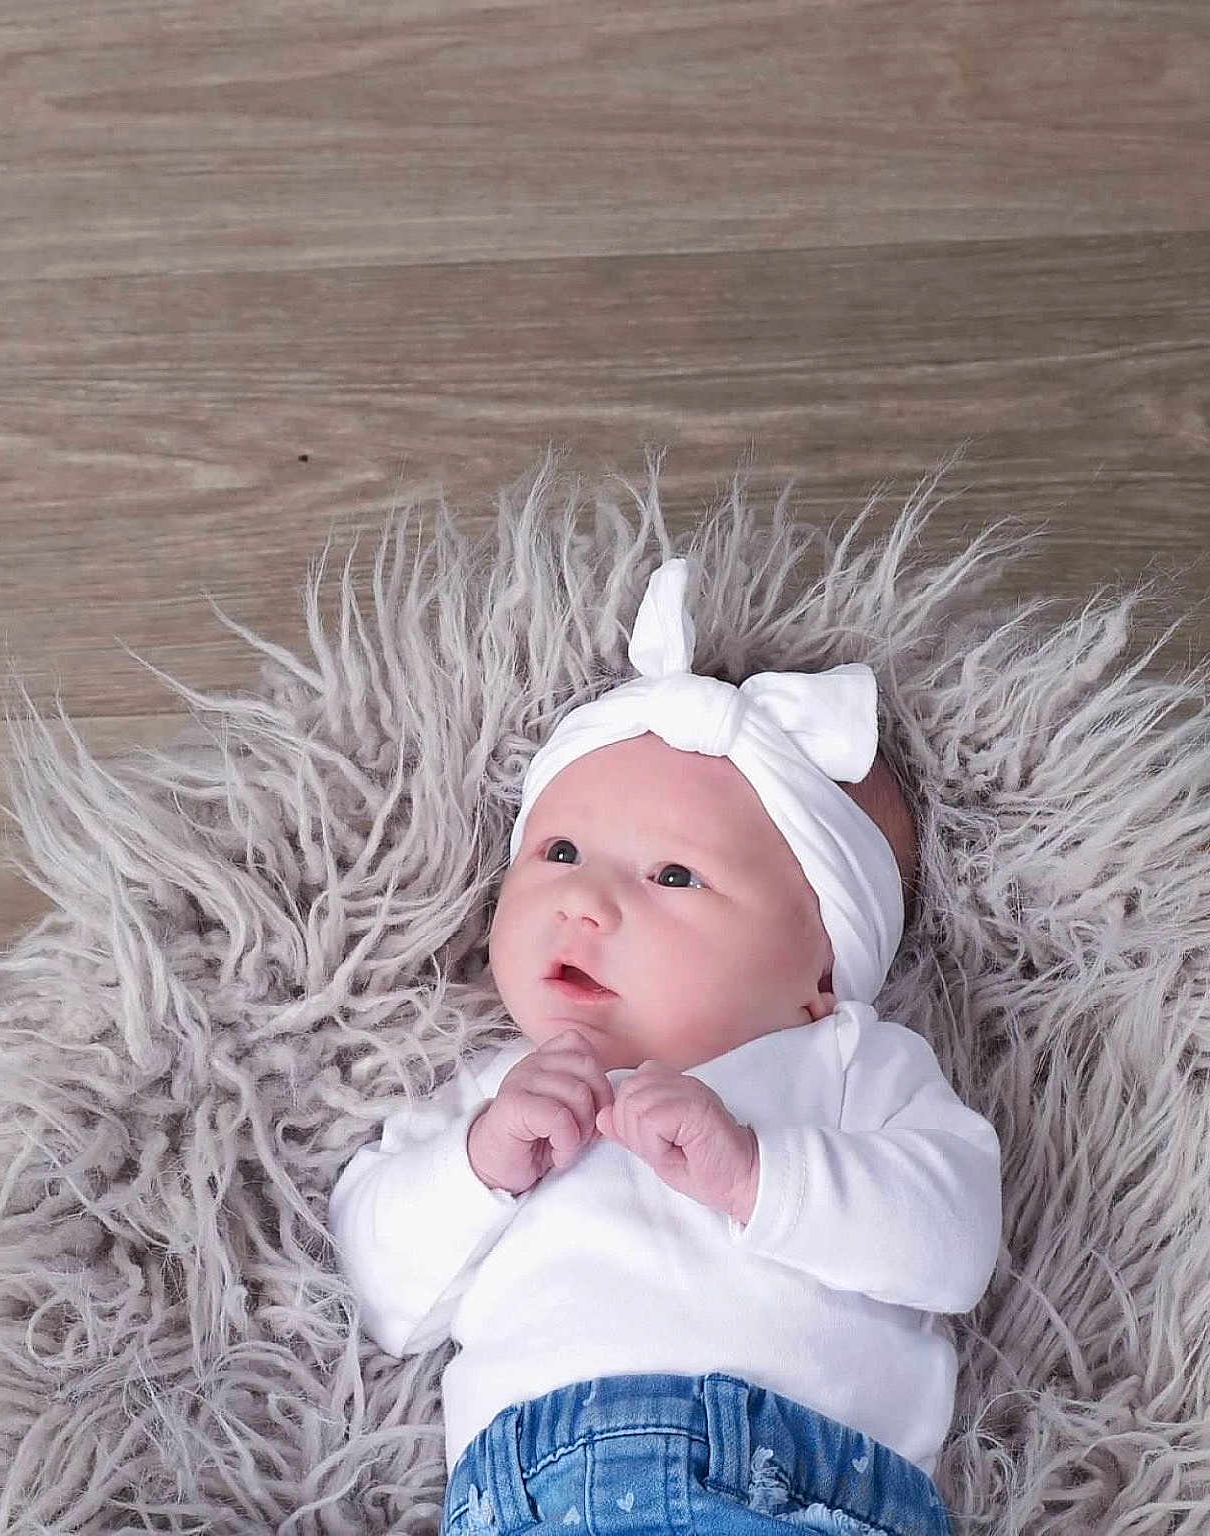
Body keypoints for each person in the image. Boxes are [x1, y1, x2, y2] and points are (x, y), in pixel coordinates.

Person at [330, 557, 1004, 1536]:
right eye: (558, 852)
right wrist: (476, 1166)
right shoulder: (496, 1096)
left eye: (674, 875)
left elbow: (953, 1243)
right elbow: (382, 1284)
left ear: (820, 977)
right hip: (535, 1496)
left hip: (807, 1491)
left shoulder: (851, 1066)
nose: (583, 900)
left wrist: (761, 1176)